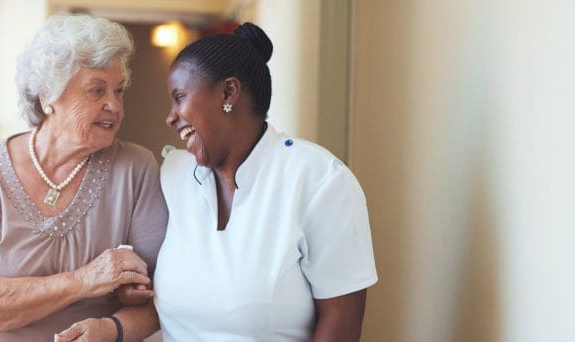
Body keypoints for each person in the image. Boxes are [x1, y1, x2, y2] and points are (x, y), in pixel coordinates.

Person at [62, 22, 378, 341]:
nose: (170, 117)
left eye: (180, 97)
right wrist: (137, 290)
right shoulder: (174, 176)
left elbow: (342, 322)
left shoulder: (319, 180)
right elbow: (186, 287)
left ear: (229, 92)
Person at [0, 15, 168, 341]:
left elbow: (164, 298)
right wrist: (84, 281)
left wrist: (112, 329)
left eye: (119, 91)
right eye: (97, 90)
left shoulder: (136, 168)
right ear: (48, 96)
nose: (114, 105)